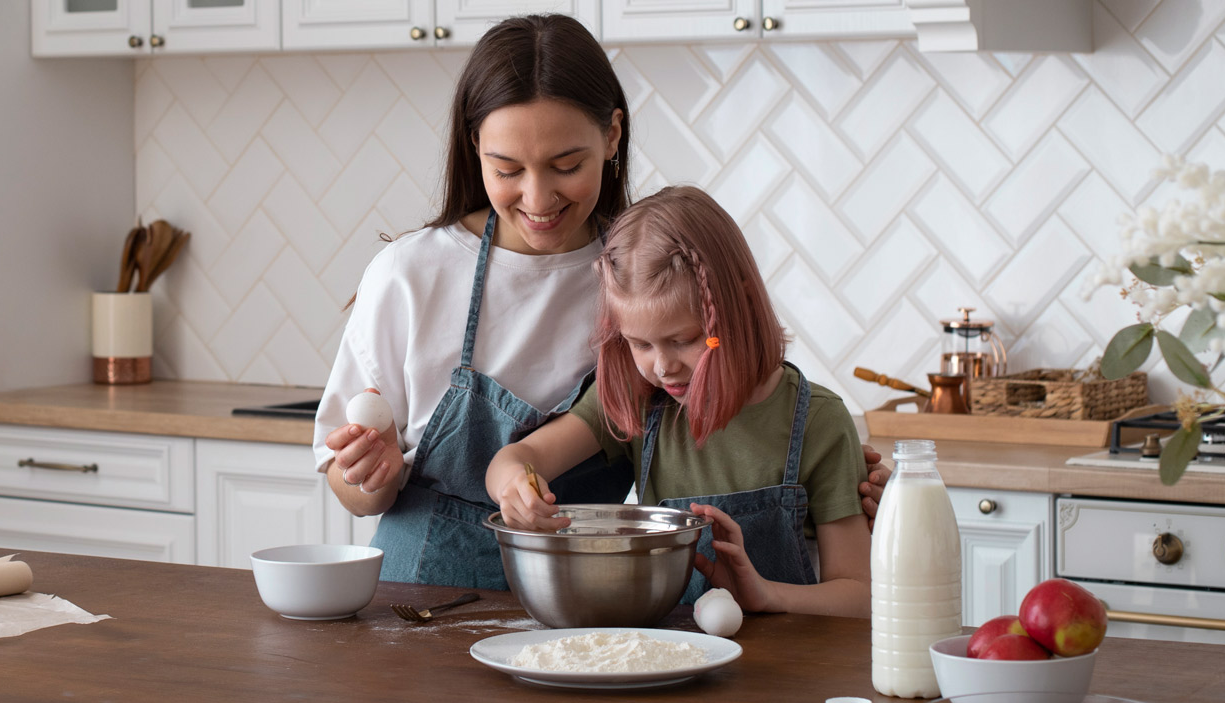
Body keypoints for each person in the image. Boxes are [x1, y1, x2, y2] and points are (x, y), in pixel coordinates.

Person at [314, 14, 888, 591]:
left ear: (612, 136)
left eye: (567, 166)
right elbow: (352, 489)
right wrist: (370, 476)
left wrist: (826, 470)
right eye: (507, 169)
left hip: (583, 602)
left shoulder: (640, 275)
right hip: (422, 597)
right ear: (475, 147)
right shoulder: (411, 273)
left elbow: (734, 428)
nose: (538, 198)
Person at [487, 186, 871, 617]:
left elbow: (859, 596)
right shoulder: (644, 402)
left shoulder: (819, 422)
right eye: (640, 344)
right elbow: (519, 457)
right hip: (670, 660)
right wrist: (513, 486)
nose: (662, 366)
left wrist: (767, 596)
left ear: (740, 305)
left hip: (787, 673)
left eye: (683, 340)